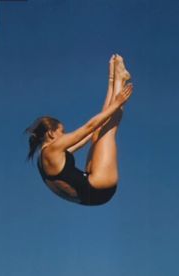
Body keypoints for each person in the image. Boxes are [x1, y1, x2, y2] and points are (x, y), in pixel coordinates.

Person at [25, 54, 133, 206]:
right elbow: (88, 127)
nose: (63, 135)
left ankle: (115, 79)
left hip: (92, 191)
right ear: (50, 133)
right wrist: (117, 103)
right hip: (100, 186)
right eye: (61, 132)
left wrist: (110, 81)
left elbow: (88, 134)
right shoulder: (53, 148)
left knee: (98, 133)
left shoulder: (44, 159)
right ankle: (120, 80)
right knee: (107, 132)